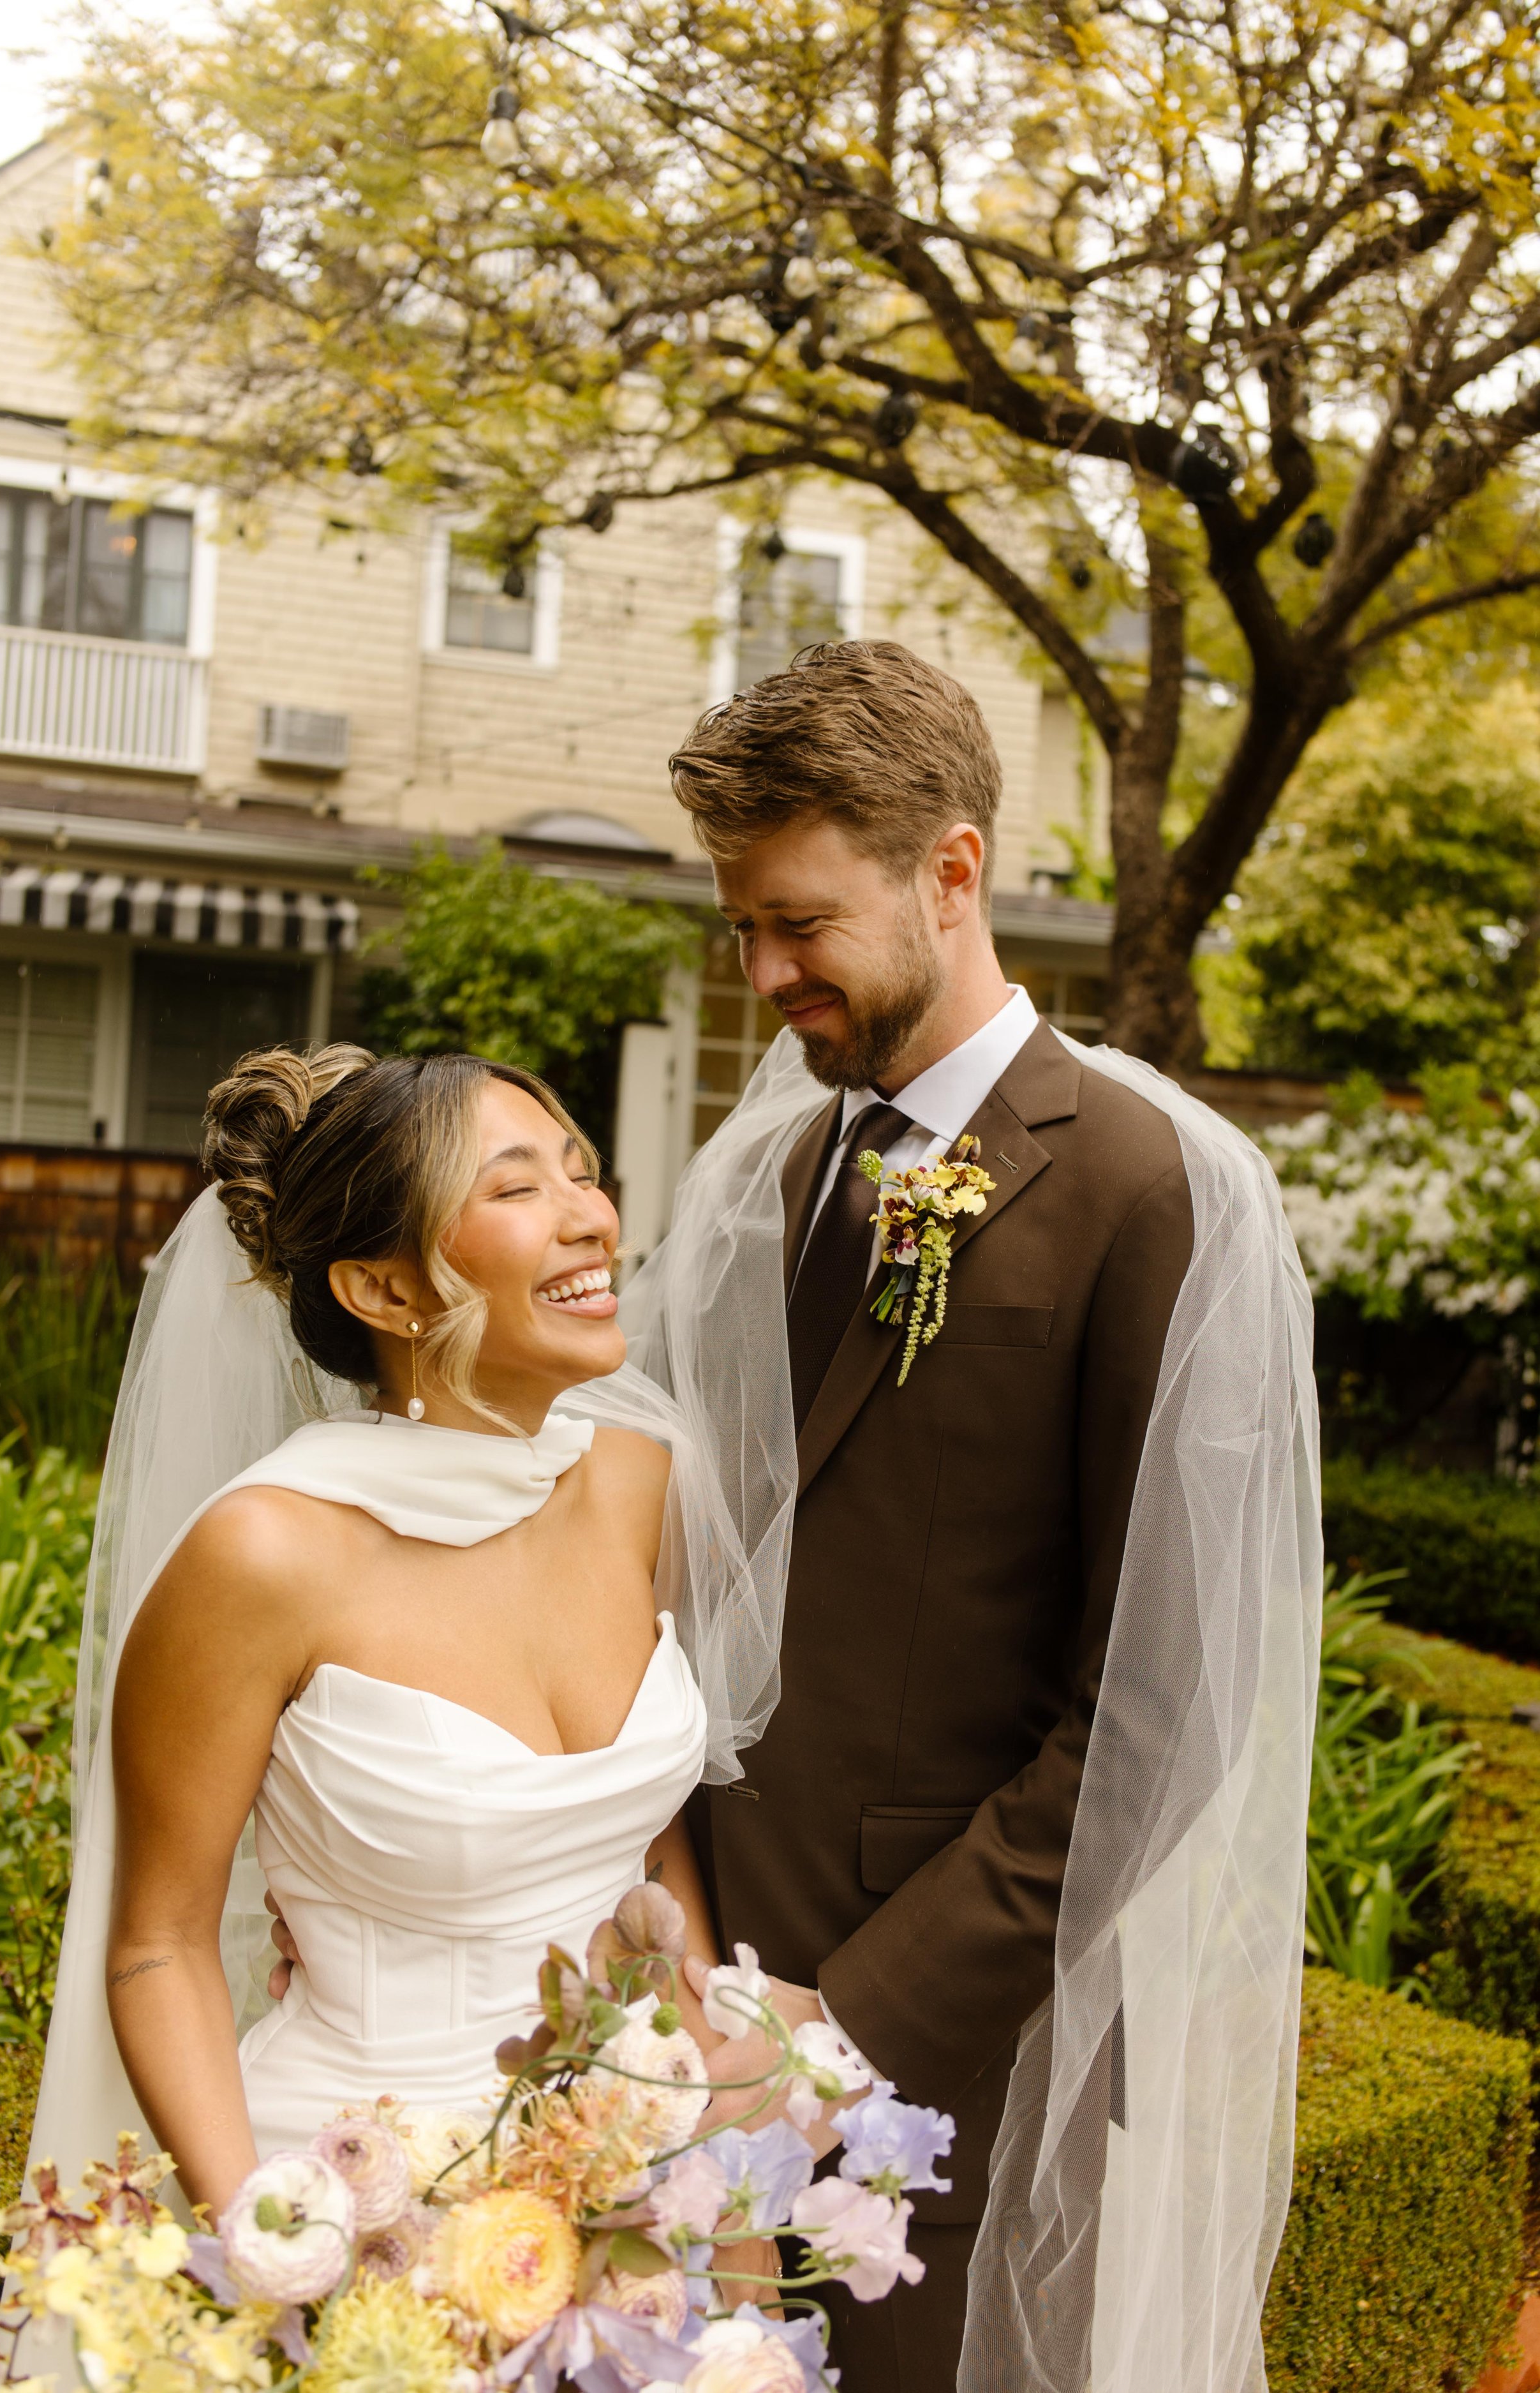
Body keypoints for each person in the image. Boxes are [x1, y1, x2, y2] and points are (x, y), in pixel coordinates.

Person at [617, 641, 1321, 2393]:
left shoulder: (1155, 1187)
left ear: (949, 868)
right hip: (700, 2012)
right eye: (743, 931)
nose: (766, 972)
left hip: (960, 2050)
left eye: (799, 921)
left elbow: (1164, 1710)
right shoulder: (770, 1173)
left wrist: (842, 2023)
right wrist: (689, 1959)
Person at [25, 1048, 741, 2224]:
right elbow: (159, 1943)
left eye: (582, 1172)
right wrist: (261, 2244)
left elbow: (650, 1842)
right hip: (357, 2187)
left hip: (633, 2185)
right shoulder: (263, 1555)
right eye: (517, 1190)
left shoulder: (636, 1480)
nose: (591, 1219)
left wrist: (708, 2086)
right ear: (386, 1293)